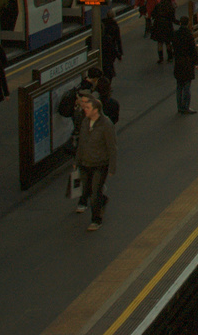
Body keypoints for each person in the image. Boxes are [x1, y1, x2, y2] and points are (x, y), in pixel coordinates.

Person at [73, 93, 117, 231]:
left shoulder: (106, 125)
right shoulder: (85, 122)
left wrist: (112, 167)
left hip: (99, 164)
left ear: (96, 110)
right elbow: (81, 143)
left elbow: (112, 147)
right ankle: (102, 201)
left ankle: (96, 220)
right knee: (86, 189)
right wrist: (77, 160)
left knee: (95, 193)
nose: (85, 109)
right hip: (85, 162)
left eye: (88, 107)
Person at [171, 15, 198, 114]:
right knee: (187, 86)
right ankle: (186, 106)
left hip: (178, 63)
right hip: (187, 63)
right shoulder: (189, 35)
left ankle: (179, 106)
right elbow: (193, 50)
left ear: (180, 23)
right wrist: (196, 62)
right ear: (187, 23)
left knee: (179, 86)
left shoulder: (175, 34)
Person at [100, 12, 123, 81]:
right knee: (109, 68)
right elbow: (118, 40)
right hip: (109, 51)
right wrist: (120, 53)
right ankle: (106, 84)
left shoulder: (102, 23)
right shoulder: (115, 26)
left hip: (101, 48)